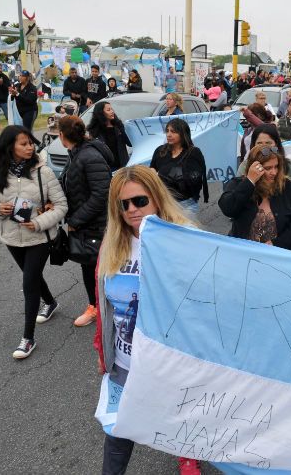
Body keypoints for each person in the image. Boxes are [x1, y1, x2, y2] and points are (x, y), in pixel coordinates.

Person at [92, 165, 200, 474]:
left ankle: (187, 455)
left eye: (139, 200)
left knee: (179, 417)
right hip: (126, 364)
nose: (131, 210)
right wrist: (104, 350)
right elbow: (107, 307)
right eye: (123, 204)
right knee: (116, 433)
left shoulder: (185, 239)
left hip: (169, 363)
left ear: (156, 197)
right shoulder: (114, 244)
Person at [0, 125, 68, 358]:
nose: (30, 147)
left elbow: (61, 205)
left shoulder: (44, 171)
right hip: (11, 237)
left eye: (31, 142)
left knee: (29, 282)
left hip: (40, 237)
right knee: (32, 276)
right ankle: (50, 302)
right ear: (9, 147)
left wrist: (40, 222)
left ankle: (28, 339)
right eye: (23, 143)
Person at [59, 115, 114, 328]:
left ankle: (99, 308)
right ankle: (97, 306)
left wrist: (76, 219)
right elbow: (70, 182)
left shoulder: (89, 156)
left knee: (96, 268)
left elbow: (101, 194)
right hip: (87, 224)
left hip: (95, 224)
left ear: (63, 136)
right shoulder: (76, 153)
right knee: (90, 267)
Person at [219, 145, 291, 249]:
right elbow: (227, 208)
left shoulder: (286, 186)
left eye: (276, 166)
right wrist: (250, 181)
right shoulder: (238, 184)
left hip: (278, 255)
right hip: (243, 254)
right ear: (254, 167)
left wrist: (278, 243)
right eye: (268, 168)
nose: (274, 172)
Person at [150, 118, 208, 215]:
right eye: (167, 131)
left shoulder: (193, 152)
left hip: (185, 204)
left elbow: (196, 179)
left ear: (182, 133)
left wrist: (170, 175)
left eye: (173, 131)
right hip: (163, 203)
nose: (169, 134)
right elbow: (152, 169)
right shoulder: (160, 151)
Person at [87, 102, 132, 170]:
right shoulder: (94, 131)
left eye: (112, 109)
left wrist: (122, 128)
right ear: (101, 113)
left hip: (122, 167)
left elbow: (130, 143)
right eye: (108, 110)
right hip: (104, 168)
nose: (112, 111)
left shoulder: (118, 126)